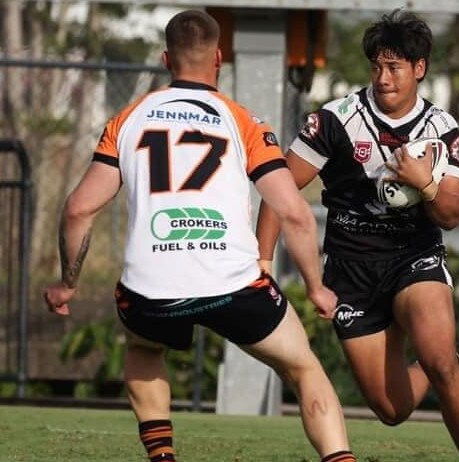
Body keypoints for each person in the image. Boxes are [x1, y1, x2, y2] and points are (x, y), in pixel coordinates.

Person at [43, 9, 357, 462]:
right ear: (219, 58)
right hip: (232, 283)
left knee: (144, 349)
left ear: (166, 58)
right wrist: (316, 287)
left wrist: (67, 282)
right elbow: (296, 214)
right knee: (304, 368)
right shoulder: (242, 120)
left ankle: (163, 457)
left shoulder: (127, 119)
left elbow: (78, 208)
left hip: (151, 286)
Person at [256, 9, 459, 462]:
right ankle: (446, 365)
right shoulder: (336, 120)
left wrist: (424, 182)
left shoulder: (440, 129)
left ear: (419, 69)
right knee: (391, 409)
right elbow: (279, 190)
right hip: (351, 271)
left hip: (413, 257)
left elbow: (451, 215)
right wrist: (264, 263)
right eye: (377, 67)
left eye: (395, 67)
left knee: (440, 358)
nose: (384, 78)